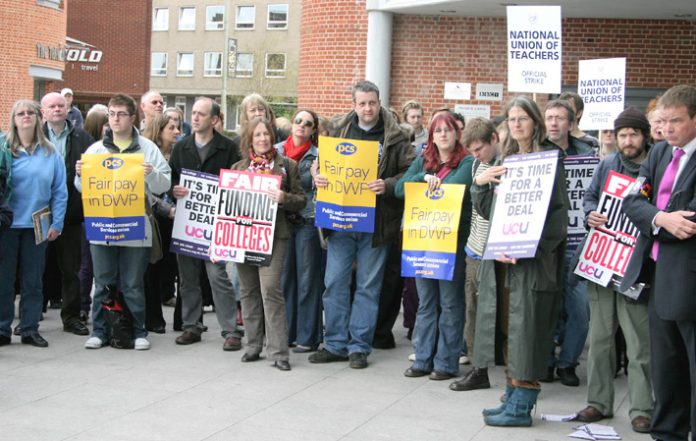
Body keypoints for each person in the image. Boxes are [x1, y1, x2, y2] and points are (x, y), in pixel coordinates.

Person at [470, 96, 569, 426]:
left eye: (522, 118)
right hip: (502, 259)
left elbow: (558, 216)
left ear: (535, 122)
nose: (516, 123)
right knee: (508, 330)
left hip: (531, 263)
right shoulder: (507, 159)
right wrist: (480, 186)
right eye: (511, 119)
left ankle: (521, 407)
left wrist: (532, 249)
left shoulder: (550, 158)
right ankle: (511, 396)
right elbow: (490, 212)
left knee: (527, 331)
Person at [310, 80, 413, 368]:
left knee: (368, 287)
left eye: (372, 102)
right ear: (354, 105)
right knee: (334, 284)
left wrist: (389, 184)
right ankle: (334, 344)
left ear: (379, 102)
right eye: (362, 103)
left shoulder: (397, 136)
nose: (368, 108)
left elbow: (410, 173)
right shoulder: (336, 129)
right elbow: (320, 165)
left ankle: (359, 347)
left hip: (377, 224)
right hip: (340, 221)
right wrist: (317, 175)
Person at [621, 85, 696, 441]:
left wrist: (658, 220)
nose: (667, 128)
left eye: (676, 121)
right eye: (662, 121)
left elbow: (690, 223)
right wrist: (661, 219)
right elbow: (632, 200)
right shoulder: (660, 153)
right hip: (655, 275)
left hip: (688, 279)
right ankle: (667, 434)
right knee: (665, 369)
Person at [572, 108, 653, 433]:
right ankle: (599, 402)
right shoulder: (606, 164)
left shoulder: (655, 165)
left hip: (636, 265)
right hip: (603, 261)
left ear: (644, 136)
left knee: (638, 343)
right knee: (601, 339)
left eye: (633, 134)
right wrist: (591, 213)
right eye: (622, 135)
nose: (628, 140)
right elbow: (590, 198)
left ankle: (642, 408)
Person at [75, 93, 171, 351]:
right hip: (103, 224)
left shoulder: (147, 148)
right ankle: (100, 331)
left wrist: (150, 176)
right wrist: (80, 175)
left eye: (121, 114)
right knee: (103, 279)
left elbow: (166, 183)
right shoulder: (95, 150)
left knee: (132, 282)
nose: (115, 119)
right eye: (111, 114)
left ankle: (138, 331)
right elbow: (84, 189)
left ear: (132, 117)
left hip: (135, 224)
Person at [396, 112, 473, 380]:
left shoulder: (467, 162)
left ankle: (447, 362)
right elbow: (399, 189)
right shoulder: (422, 159)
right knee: (427, 303)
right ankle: (423, 358)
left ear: (456, 133)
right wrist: (420, 179)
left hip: (452, 242)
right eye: (437, 130)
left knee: (450, 303)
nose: (442, 134)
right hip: (423, 241)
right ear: (431, 135)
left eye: (447, 130)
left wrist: (432, 182)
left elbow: (456, 187)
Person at [231, 117, 306, 370]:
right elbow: (227, 207)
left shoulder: (287, 166)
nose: (263, 139)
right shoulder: (238, 168)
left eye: (266, 134)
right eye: (257, 135)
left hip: (275, 236)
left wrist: (284, 197)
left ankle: (279, 353)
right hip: (244, 237)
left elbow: (301, 200)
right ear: (249, 140)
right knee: (248, 291)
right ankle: (253, 345)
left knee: (270, 289)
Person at [170, 97, 244, 351]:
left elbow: (238, 182)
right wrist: (174, 190)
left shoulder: (228, 148)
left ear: (214, 120)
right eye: (194, 113)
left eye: (201, 114)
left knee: (217, 276)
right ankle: (192, 325)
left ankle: (231, 330)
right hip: (188, 221)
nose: (195, 118)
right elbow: (171, 179)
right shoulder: (182, 148)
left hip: (216, 223)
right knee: (187, 277)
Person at [0, 100, 68, 348]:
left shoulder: (50, 152)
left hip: (38, 226)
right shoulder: (2, 147)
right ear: (13, 118)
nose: (26, 116)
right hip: (6, 226)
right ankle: (2, 328)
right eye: (21, 113)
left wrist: (57, 223)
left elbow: (60, 191)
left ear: (39, 118)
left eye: (30, 112)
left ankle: (29, 329)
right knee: (3, 281)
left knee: (33, 281)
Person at [541, 99, 595, 387]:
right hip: (549, 242)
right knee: (548, 306)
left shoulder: (588, 154)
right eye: (548, 117)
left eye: (559, 118)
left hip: (579, 241)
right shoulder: (537, 153)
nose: (553, 123)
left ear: (570, 122)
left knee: (579, 308)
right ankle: (547, 361)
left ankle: (568, 363)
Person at [449, 117, 500, 392]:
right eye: (471, 150)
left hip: (497, 251)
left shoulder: (505, 164)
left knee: (496, 313)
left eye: (479, 148)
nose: (475, 155)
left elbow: (489, 209)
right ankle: (478, 368)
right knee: (472, 309)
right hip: (476, 248)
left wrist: (480, 184)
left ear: (494, 138)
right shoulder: (478, 166)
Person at [40, 92, 94, 336]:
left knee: (70, 269)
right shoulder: (33, 137)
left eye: (61, 105)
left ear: (68, 108)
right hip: (38, 213)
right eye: (51, 106)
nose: (57, 109)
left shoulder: (83, 138)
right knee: (35, 268)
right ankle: (32, 316)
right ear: (43, 111)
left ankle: (71, 317)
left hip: (72, 213)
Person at [275, 109, 324, 352]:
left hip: (306, 221)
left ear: (314, 130)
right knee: (285, 280)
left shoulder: (318, 156)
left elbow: (321, 191)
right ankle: (287, 333)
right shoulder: (275, 151)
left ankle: (308, 336)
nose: (301, 126)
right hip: (280, 222)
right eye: (298, 121)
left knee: (307, 280)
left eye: (308, 124)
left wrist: (317, 177)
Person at [142, 113, 181, 333]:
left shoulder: (178, 154)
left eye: (177, 127)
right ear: (159, 131)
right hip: (155, 216)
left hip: (176, 218)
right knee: (152, 269)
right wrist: (167, 209)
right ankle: (154, 319)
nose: (177, 131)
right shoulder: (149, 155)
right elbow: (146, 191)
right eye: (171, 128)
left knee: (171, 267)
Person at [79, 105, 108, 322]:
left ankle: (106, 308)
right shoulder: (92, 149)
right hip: (91, 212)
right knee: (88, 263)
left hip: (112, 211)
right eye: (106, 123)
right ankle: (83, 306)